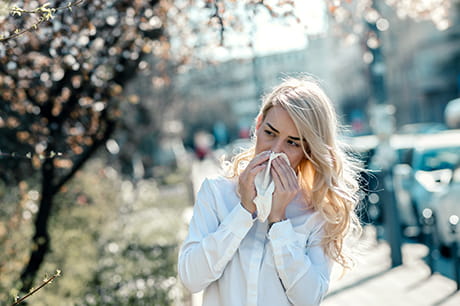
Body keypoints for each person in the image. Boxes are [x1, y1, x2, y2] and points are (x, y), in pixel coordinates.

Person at [178, 76, 363, 306]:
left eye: (292, 143)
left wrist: (279, 221)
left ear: (308, 151)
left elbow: (309, 299)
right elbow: (191, 279)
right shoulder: (216, 193)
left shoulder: (317, 213)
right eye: (270, 133)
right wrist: (243, 211)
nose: (276, 150)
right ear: (258, 125)